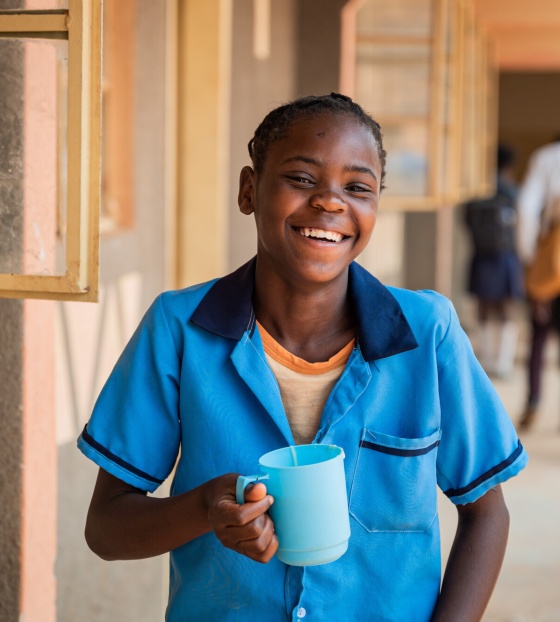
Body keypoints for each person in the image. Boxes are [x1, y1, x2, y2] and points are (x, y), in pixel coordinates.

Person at [78, 93, 528, 621]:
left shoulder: (426, 334)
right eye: (301, 178)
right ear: (249, 190)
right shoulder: (179, 329)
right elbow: (106, 528)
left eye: (357, 187)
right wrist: (204, 507)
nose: (331, 202)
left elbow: (486, 515)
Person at [463, 145, 524, 378]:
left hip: (481, 254)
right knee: (507, 306)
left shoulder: (479, 190)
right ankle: (504, 362)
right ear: (509, 165)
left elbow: (466, 220)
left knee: (484, 306)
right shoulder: (511, 192)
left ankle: (486, 359)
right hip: (506, 255)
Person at [516, 136, 560, 430]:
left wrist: (531, 259)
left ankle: (534, 401)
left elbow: (526, 210)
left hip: (550, 257)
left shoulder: (546, 157)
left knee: (540, 336)